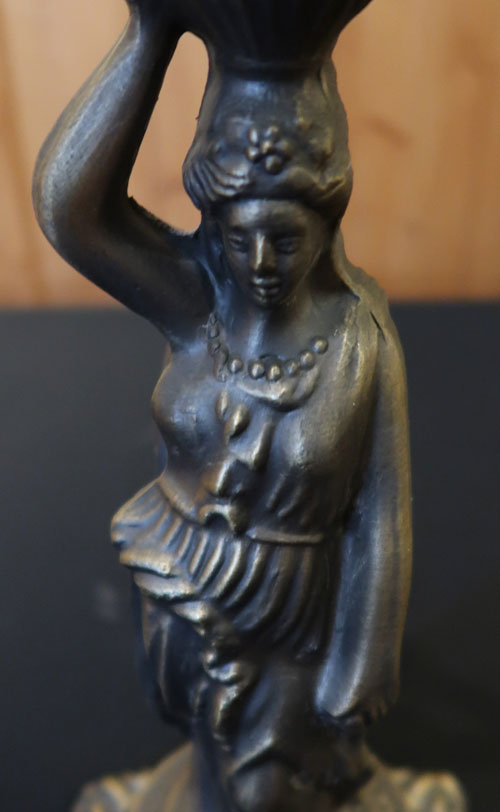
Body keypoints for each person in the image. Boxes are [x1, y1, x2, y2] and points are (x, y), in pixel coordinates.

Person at [33, 1, 418, 810]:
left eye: (286, 238)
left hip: (294, 600)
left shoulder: (359, 339)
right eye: (241, 238)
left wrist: (366, 655)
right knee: (215, 756)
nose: (262, 262)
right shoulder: (193, 300)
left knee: (266, 790)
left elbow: (381, 512)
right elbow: (69, 209)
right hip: (178, 575)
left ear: (326, 223)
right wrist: (150, 33)